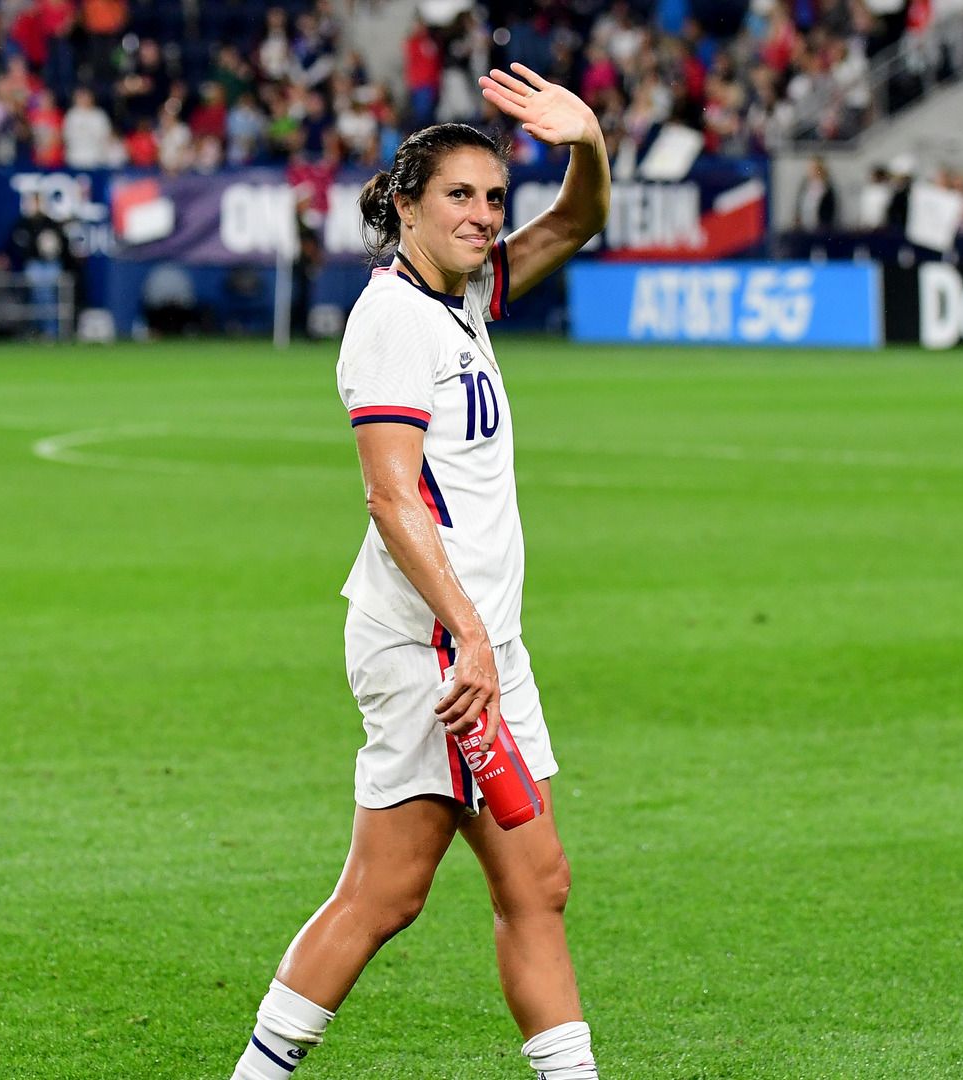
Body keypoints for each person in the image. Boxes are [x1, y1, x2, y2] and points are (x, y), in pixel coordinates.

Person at [228, 63, 610, 1080]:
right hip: (438, 652)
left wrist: (588, 143)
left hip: (481, 645)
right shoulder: (394, 319)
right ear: (405, 206)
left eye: (494, 197)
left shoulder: (458, 299)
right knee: (384, 895)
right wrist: (472, 637)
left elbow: (575, 224)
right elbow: (391, 497)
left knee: (540, 886)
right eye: (461, 197)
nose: (485, 215)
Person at [0, 193, 71, 338]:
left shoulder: (50, 223)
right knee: (39, 293)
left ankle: (50, 331)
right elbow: (11, 245)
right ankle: (39, 330)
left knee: (46, 294)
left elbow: (63, 246)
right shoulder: (22, 224)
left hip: (50, 265)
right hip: (33, 265)